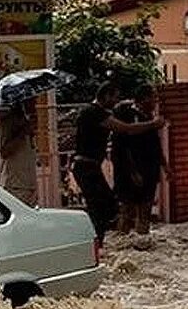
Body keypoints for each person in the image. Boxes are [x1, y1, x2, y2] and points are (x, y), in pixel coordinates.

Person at [72, 82, 166, 244]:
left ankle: (98, 243)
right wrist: (153, 124)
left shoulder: (94, 111)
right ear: (106, 95)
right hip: (87, 167)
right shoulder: (94, 113)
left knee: (104, 206)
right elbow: (126, 129)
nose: (117, 101)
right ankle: (94, 242)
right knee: (105, 207)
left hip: (90, 167)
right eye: (115, 97)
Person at [111, 84, 171, 235]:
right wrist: (132, 172)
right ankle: (123, 240)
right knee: (128, 210)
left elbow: (155, 145)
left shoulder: (149, 117)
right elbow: (123, 147)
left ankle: (143, 238)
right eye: (153, 97)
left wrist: (165, 166)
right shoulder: (127, 115)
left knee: (146, 208)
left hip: (149, 169)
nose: (156, 101)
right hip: (130, 171)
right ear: (144, 98)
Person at [0, 102, 38, 205]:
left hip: (28, 183)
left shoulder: (27, 121)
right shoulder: (9, 122)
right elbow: (4, 152)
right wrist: (22, 133)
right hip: (16, 185)